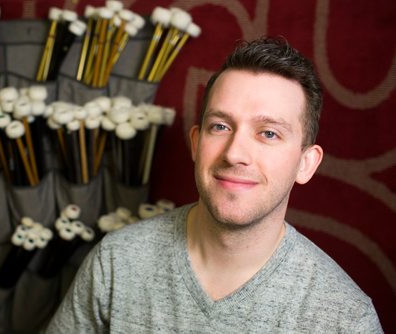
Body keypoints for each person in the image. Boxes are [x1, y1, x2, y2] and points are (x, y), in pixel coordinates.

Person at [46, 37, 383, 333]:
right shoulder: (117, 262)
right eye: (221, 126)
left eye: (268, 133)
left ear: (306, 163)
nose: (235, 153)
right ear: (196, 143)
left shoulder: (344, 318)